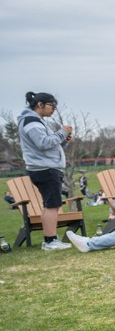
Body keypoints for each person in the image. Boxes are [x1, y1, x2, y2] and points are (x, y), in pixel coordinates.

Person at [16, 92, 74, 250]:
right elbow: (42, 143)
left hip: (46, 167)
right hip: (45, 169)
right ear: (40, 104)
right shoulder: (32, 122)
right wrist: (61, 133)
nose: (54, 109)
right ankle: (50, 241)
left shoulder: (36, 121)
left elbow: (48, 146)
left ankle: (50, 240)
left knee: (50, 204)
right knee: (52, 205)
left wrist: (62, 141)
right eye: (52, 106)